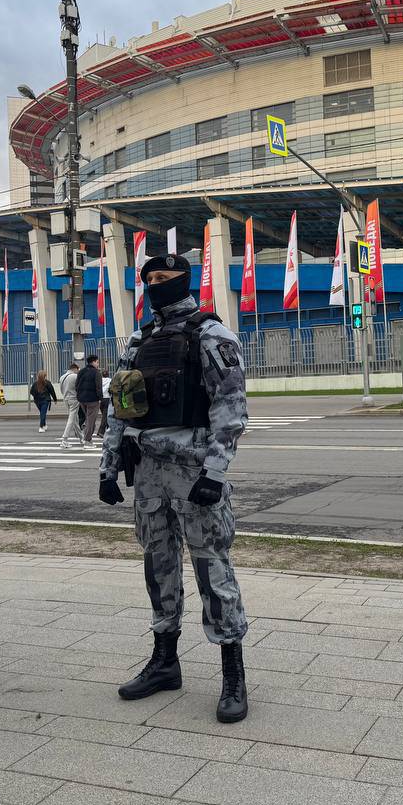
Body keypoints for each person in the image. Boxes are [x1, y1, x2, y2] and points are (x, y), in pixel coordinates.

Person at [99, 253, 250, 723]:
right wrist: (108, 467)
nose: (156, 285)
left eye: (165, 277)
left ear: (185, 280)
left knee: (212, 570)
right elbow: (119, 407)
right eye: (150, 279)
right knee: (158, 566)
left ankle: (233, 674)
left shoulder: (212, 335)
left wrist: (215, 473)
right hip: (148, 472)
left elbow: (231, 409)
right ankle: (165, 662)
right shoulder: (139, 340)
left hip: (194, 471)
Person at [76, 354, 102, 449]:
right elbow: (98, 387)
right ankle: (87, 440)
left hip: (82, 399)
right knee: (91, 420)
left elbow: (76, 385)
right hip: (93, 400)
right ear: (93, 362)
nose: (98, 364)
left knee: (88, 419)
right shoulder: (96, 372)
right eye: (97, 362)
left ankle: (88, 438)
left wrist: (79, 395)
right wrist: (100, 398)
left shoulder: (81, 371)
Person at [58, 362, 81, 449]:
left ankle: (81, 438)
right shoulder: (75, 376)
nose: (78, 371)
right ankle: (64, 439)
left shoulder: (62, 377)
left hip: (66, 399)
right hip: (74, 399)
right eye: (78, 370)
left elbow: (61, 389)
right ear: (75, 369)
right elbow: (79, 388)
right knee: (71, 419)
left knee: (75, 419)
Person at [98, 368, 111, 438]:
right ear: (108, 374)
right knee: (105, 416)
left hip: (100, 399)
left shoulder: (99, 380)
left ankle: (109, 429)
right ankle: (101, 431)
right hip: (107, 399)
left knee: (105, 415)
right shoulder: (110, 380)